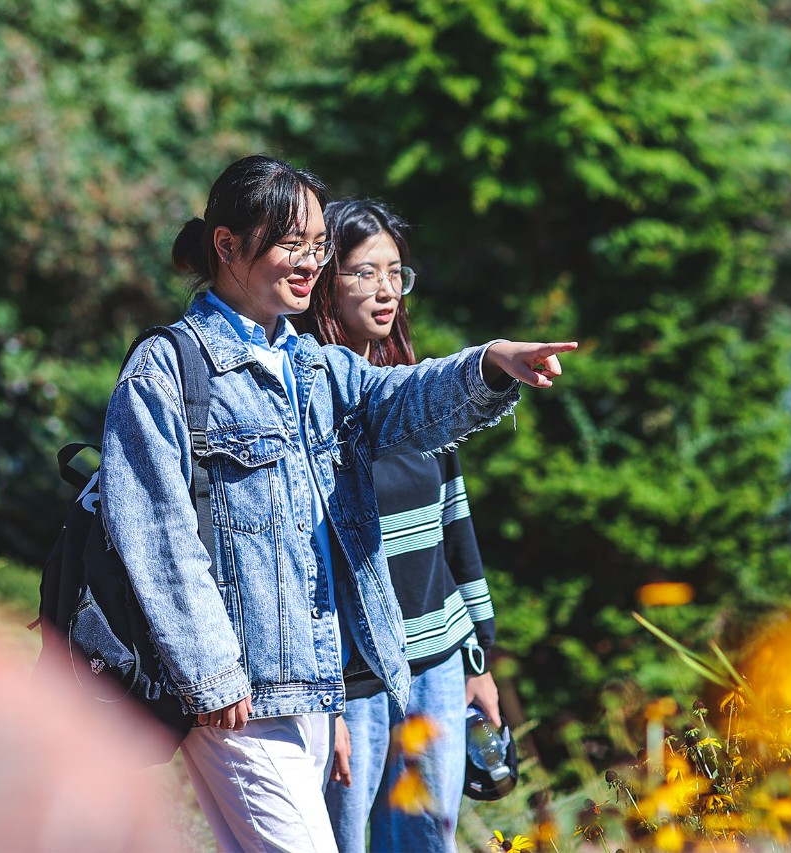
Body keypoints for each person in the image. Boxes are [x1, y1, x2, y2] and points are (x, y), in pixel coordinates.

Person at [98, 154, 575, 852]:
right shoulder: (168, 368)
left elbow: (403, 399)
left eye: (318, 247)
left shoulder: (314, 364)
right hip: (240, 695)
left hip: (315, 686)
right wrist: (211, 674)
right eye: (293, 244)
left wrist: (489, 362)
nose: (310, 262)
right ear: (227, 245)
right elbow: (154, 532)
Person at [295, 198, 504, 852]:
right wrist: (322, 702)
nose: (385, 289)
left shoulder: (420, 396)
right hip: (353, 678)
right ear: (325, 281)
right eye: (364, 272)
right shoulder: (300, 400)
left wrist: (477, 660)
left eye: (395, 272)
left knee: (423, 843)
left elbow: (456, 533)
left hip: (438, 665)